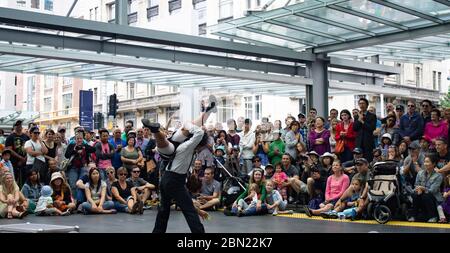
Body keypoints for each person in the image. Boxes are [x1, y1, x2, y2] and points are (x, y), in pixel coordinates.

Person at [142, 98, 216, 233]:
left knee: (164, 211)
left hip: (166, 178)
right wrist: (189, 124)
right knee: (189, 212)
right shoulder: (187, 147)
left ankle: (155, 130)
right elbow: (198, 132)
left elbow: (194, 130)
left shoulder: (183, 144)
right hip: (173, 179)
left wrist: (193, 124)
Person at [409, 154, 443, 223]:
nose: (425, 164)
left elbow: (433, 190)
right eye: (425, 162)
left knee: (426, 195)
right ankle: (414, 216)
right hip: (421, 194)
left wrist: (423, 189)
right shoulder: (420, 173)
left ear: (434, 164)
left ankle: (433, 216)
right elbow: (416, 184)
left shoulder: (438, 176)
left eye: (428, 162)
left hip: (434, 198)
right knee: (415, 195)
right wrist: (418, 189)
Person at [5, 120, 30, 186]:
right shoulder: (10, 137)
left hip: (25, 162)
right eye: (17, 125)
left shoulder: (26, 137)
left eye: (20, 125)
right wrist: (20, 158)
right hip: (14, 163)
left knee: (25, 180)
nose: (19, 127)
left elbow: (29, 148)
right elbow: (9, 150)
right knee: (14, 180)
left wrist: (25, 158)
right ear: (14, 127)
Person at [353, 97, 377, 162]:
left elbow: (372, 128)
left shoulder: (372, 116)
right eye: (360, 104)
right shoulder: (356, 116)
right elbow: (354, 128)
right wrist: (358, 120)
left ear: (367, 105)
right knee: (358, 160)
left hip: (368, 141)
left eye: (363, 103)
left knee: (368, 159)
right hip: (359, 141)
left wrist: (362, 122)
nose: (361, 105)